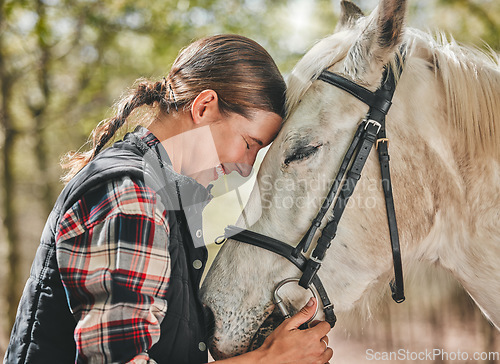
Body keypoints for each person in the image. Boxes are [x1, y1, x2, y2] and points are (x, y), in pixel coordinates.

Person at [5, 34, 333, 364]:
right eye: (249, 143)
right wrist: (269, 360)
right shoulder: (133, 197)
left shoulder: (165, 200)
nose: (246, 169)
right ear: (204, 107)